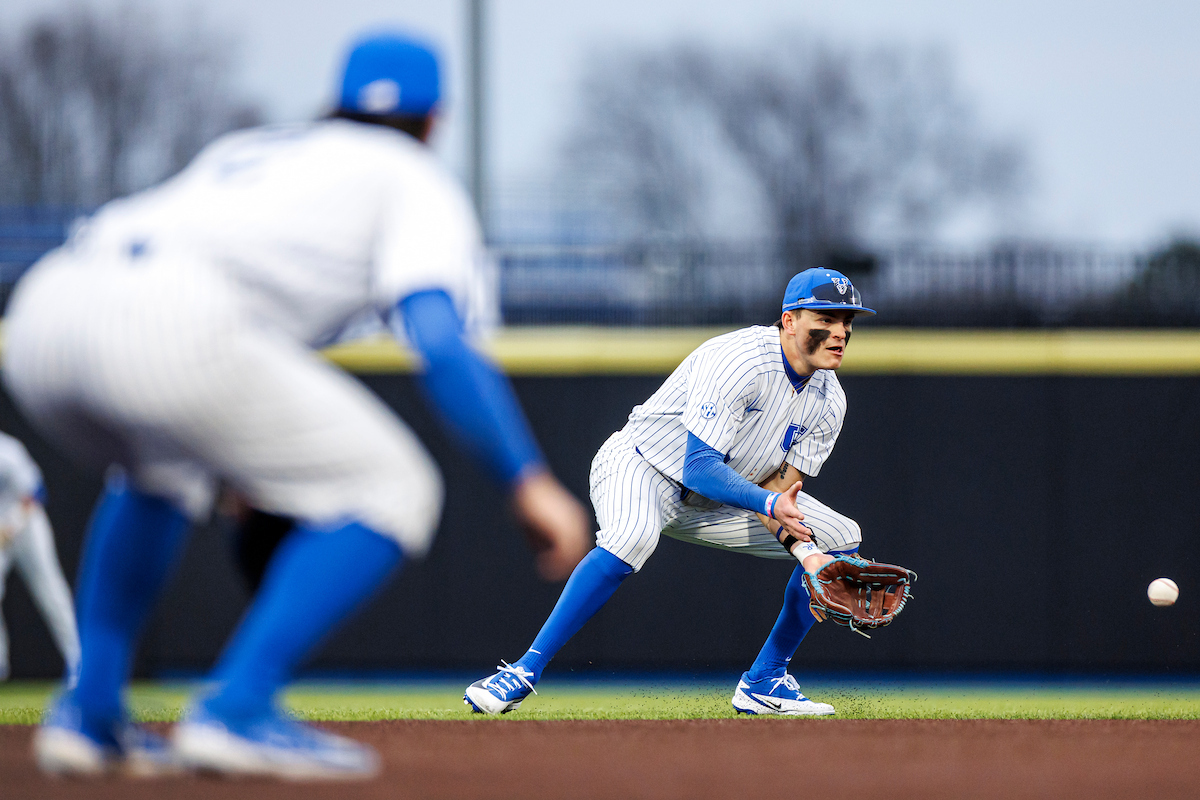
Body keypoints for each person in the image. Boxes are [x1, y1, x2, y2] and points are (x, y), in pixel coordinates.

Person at [2, 31, 590, 779]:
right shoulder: (409, 174)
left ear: (337, 102)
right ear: (435, 119)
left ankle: (89, 714)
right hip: (173, 322)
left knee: (159, 472)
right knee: (394, 486)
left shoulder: (257, 149)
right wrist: (526, 479)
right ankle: (238, 709)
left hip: (46, 307)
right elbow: (439, 339)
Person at [465, 267, 873, 717]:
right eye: (826, 319)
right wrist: (772, 503)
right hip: (642, 467)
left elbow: (778, 493)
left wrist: (808, 555)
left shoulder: (830, 401)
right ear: (789, 320)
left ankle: (764, 680)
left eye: (847, 321)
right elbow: (699, 469)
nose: (841, 332)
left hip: (722, 501)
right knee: (631, 537)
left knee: (840, 537)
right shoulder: (739, 360)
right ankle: (523, 670)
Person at [0, 431, 81, 686]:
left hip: (27, 524)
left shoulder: (7, 450)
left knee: (51, 591)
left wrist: (11, 526)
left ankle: (79, 663)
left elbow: (36, 492)